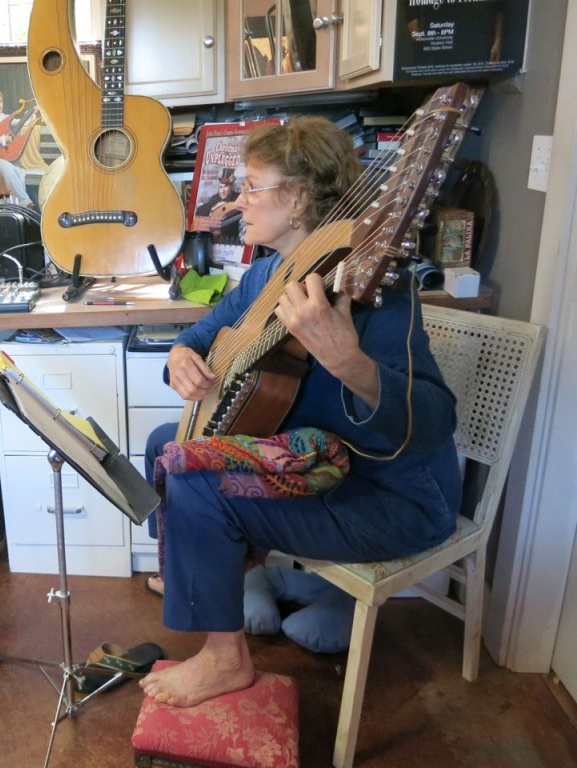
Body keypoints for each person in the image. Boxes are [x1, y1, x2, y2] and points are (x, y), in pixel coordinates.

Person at [137, 116, 462, 707]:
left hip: (387, 497)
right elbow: (202, 334)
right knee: (166, 439)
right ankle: (234, 580)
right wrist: (182, 355)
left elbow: (435, 422)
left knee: (195, 480)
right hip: (314, 471)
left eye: (251, 186)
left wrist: (348, 361)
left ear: (300, 196)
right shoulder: (264, 272)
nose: (237, 201)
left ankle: (224, 658)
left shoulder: (373, 287)